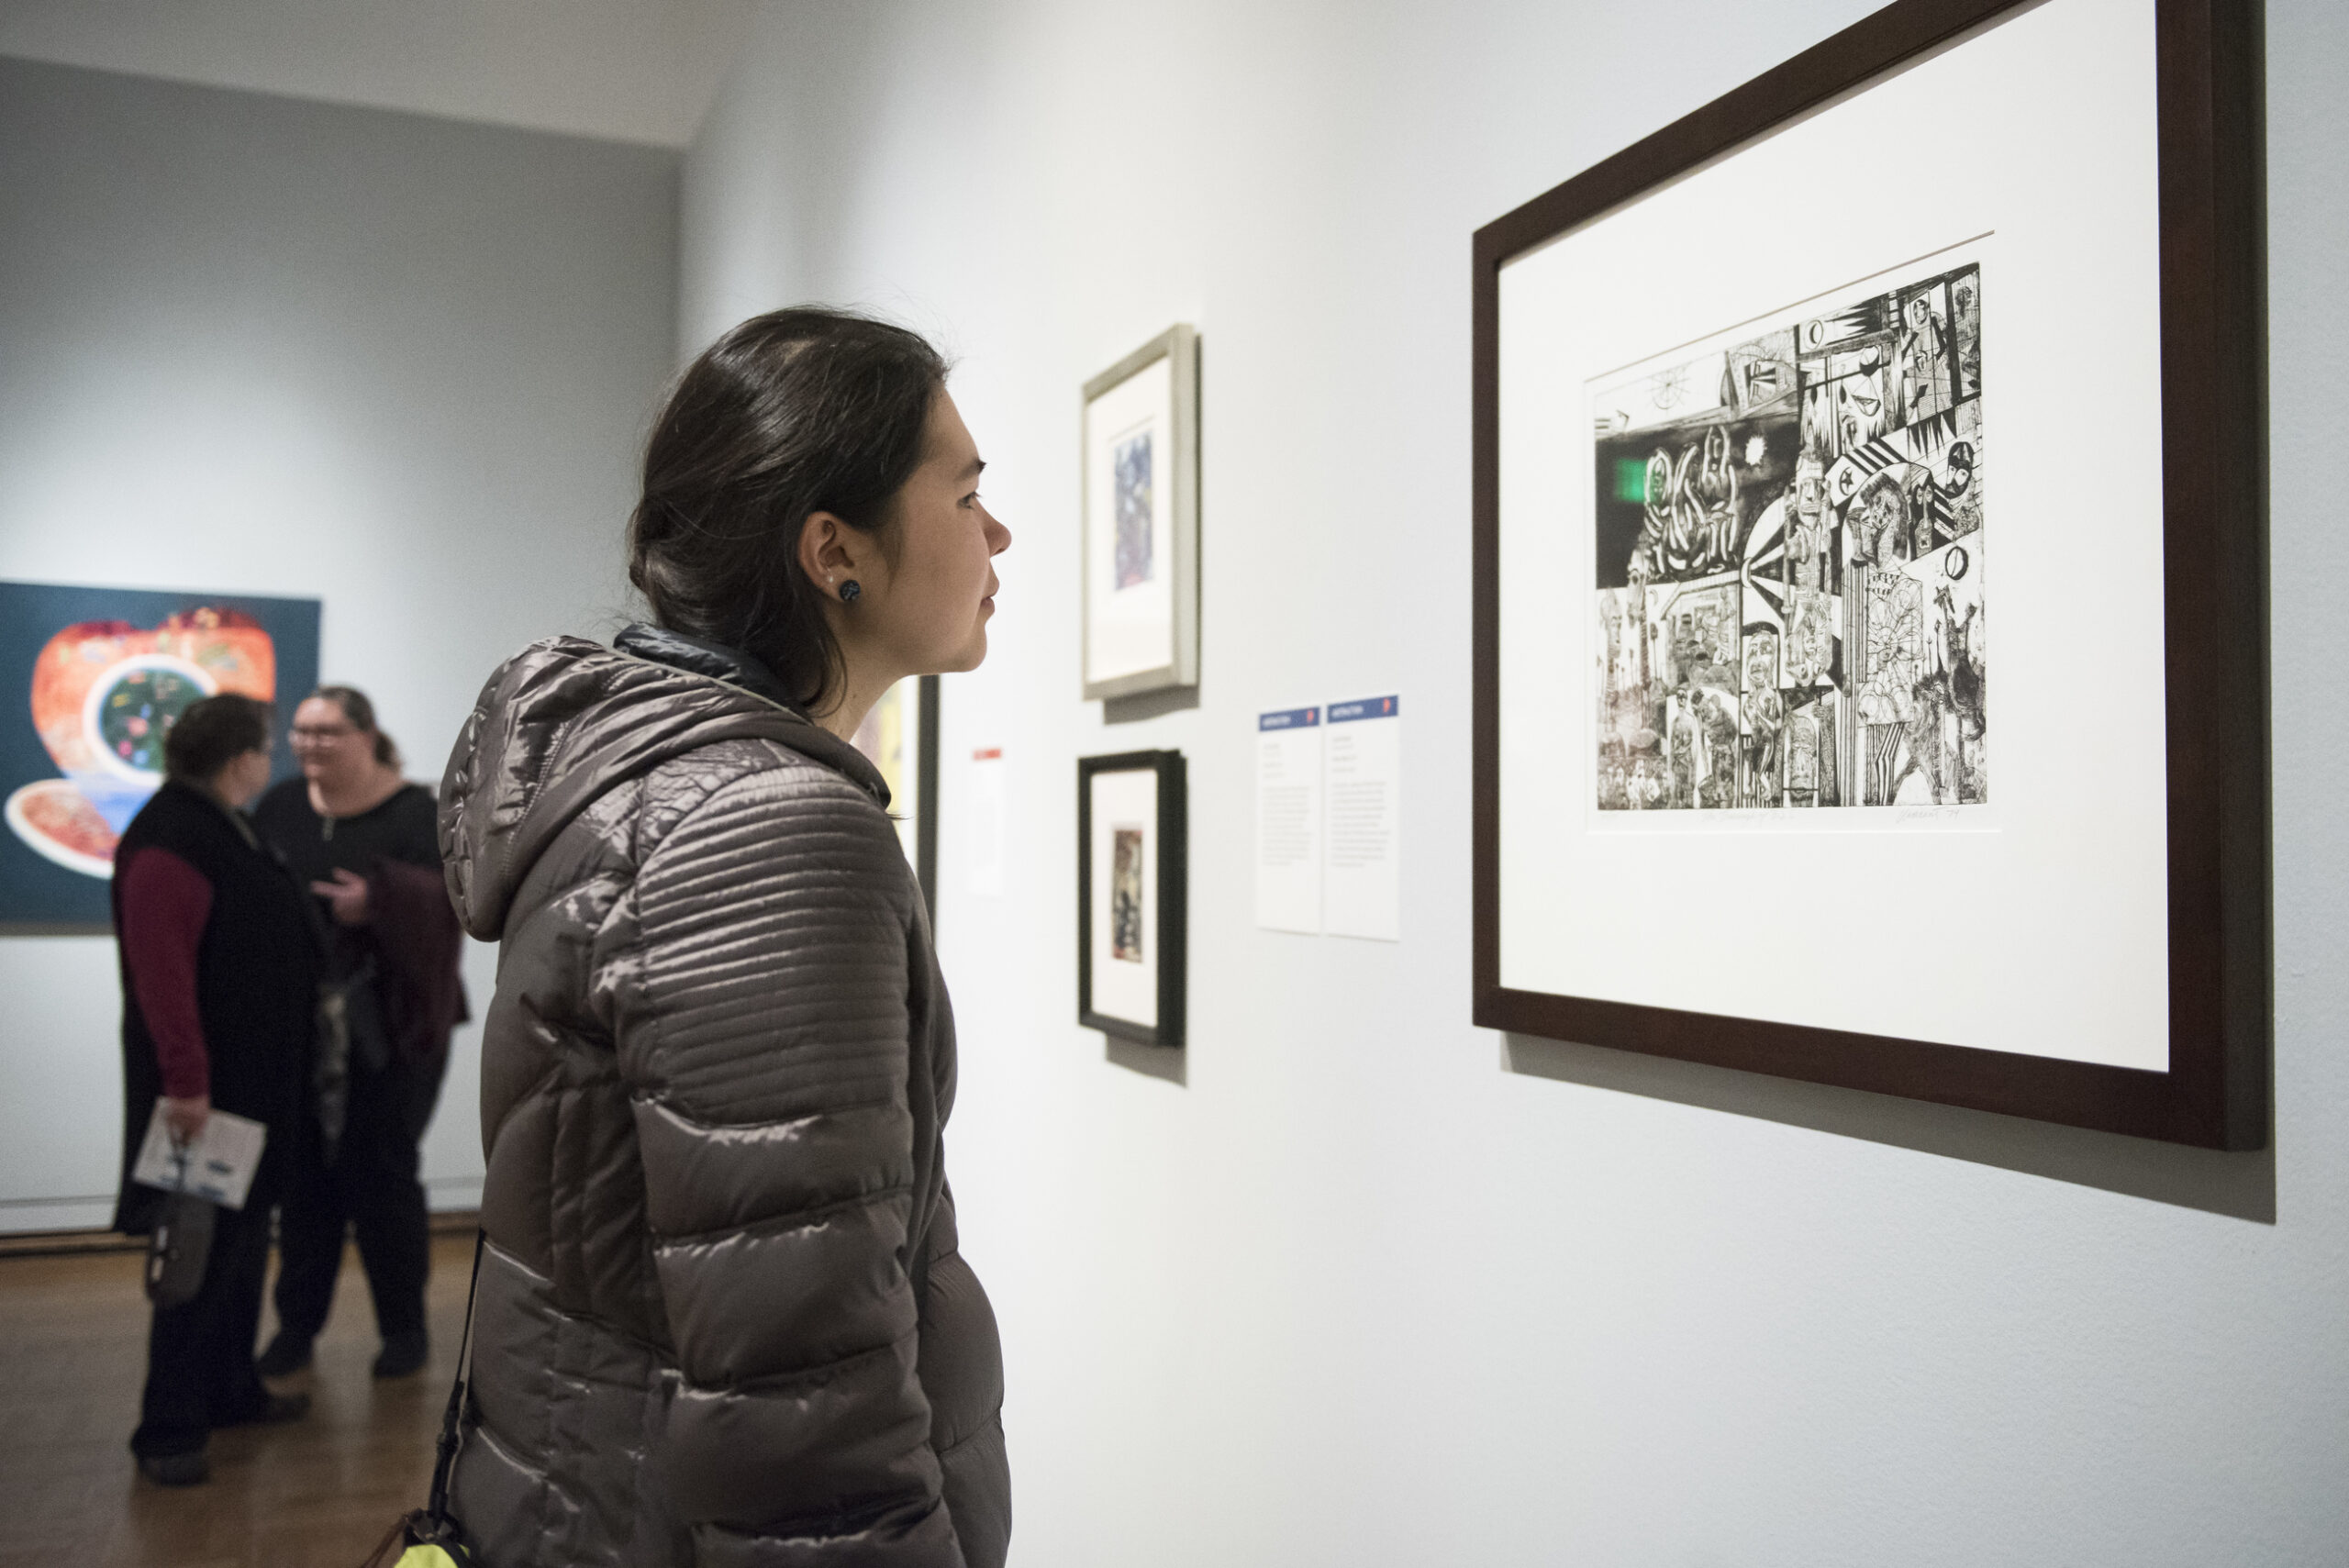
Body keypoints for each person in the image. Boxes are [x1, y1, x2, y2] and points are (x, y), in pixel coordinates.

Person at [439, 307, 1013, 1565]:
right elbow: (806, 1410)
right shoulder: (764, 825)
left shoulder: (654, 780)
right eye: (968, 494)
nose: (998, 534)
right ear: (833, 550)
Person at [111, 694, 316, 1486]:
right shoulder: (171, 836)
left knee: (239, 1249)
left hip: (250, 1090)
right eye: (265, 747)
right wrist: (187, 1085)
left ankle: (231, 1390)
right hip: (208, 1097)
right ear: (239, 759)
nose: (270, 760)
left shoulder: (221, 825)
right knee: (196, 1259)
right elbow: (162, 978)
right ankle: (167, 1428)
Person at [251, 686, 465, 1381]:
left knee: (384, 1176)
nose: (309, 744)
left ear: (367, 736)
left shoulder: (414, 811)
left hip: (397, 1026)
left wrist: (380, 901)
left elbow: (457, 902)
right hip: (302, 1024)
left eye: (327, 732)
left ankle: (404, 1331)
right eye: (301, 732)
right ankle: (296, 1328)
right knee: (304, 1179)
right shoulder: (283, 805)